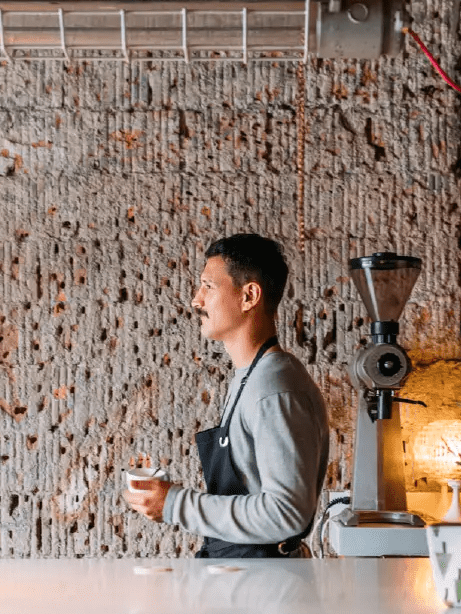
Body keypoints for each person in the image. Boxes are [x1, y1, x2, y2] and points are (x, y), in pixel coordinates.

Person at [124, 234, 329, 558]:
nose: (196, 300)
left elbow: (286, 513)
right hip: (245, 577)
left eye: (208, 286)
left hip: (267, 589)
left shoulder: (273, 388)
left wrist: (176, 504)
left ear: (249, 296)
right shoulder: (250, 378)